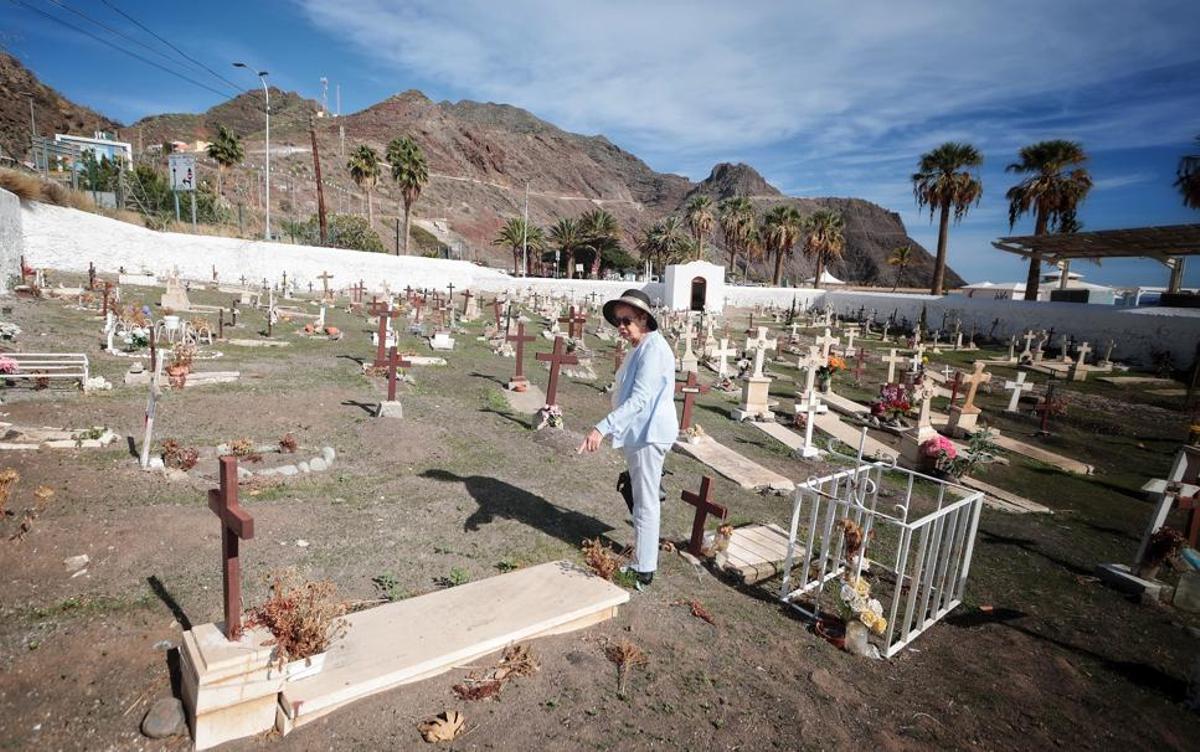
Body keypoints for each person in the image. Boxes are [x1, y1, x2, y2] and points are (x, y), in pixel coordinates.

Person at [577, 289, 678, 589]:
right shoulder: (640, 347)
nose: (620, 326)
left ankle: (643, 568)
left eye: (626, 320)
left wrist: (601, 428)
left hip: (649, 434)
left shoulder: (654, 349)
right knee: (641, 495)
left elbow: (639, 400)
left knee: (646, 502)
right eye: (617, 321)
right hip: (640, 432)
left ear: (644, 318)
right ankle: (643, 557)